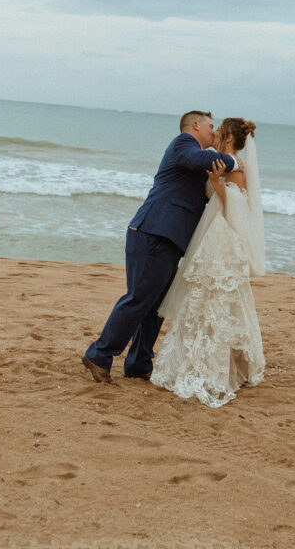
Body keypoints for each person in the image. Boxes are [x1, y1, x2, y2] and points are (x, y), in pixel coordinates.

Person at [81, 111, 238, 384]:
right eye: (211, 127)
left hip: (168, 239)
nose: (214, 133)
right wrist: (234, 159)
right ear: (195, 125)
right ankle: (99, 354)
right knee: (139, 298)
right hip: (153, 232)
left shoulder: (197, 160)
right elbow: (209, 160)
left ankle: (138, 363)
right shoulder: (183, 145)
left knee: (156, 307)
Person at [150, 118, 265, 408]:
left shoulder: (235, 166)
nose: (213, 134)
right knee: (202, 299)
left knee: (217, 301)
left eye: (218, 131)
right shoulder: (224, 162)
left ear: (227, 139)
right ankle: (197, 356)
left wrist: (216, 184)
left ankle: (216, 365)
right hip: (211, 234)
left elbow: (237, 205)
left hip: (223, 239)